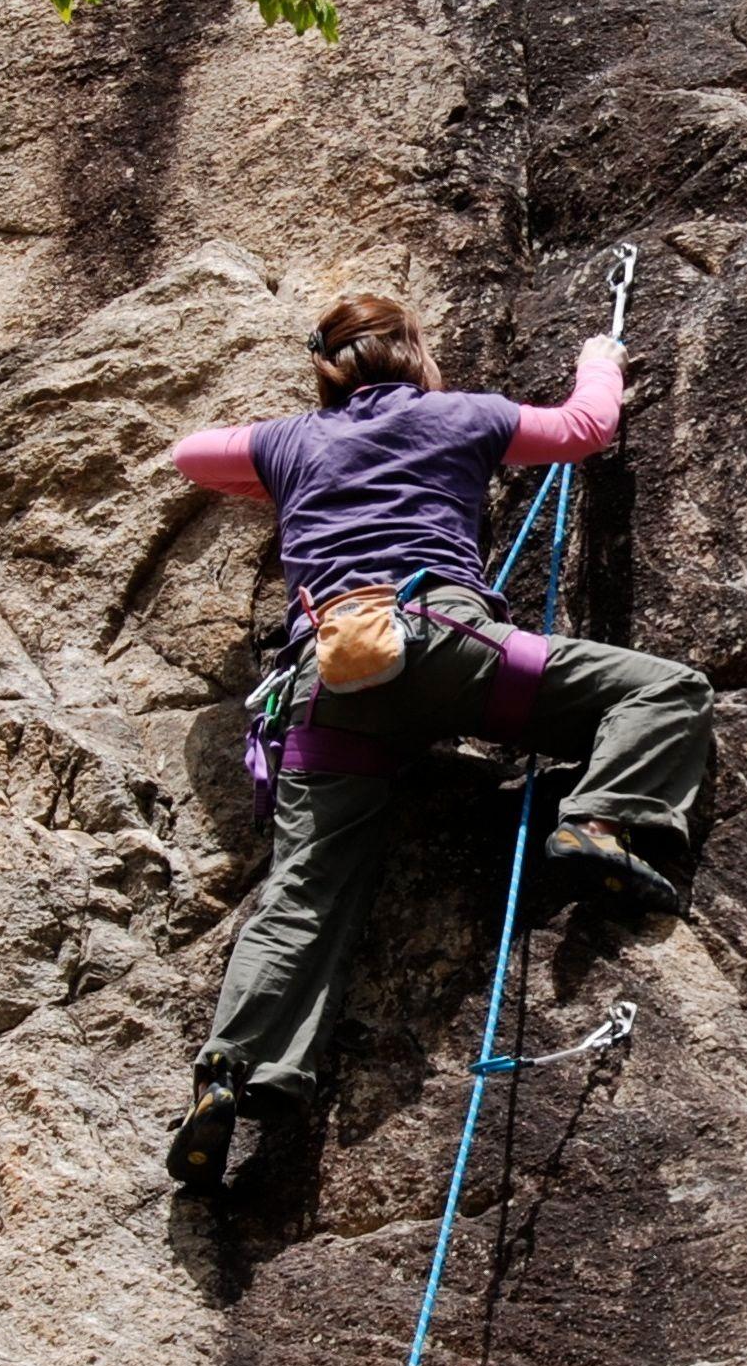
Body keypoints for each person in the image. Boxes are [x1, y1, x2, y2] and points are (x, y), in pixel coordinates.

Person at [165, 293, 714, 1186]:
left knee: (303, 892)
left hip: (328, 682)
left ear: (328, 367)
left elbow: (189, 455)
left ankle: (232, 1071)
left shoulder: (293, 440)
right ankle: (603, 820)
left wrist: (275, 465)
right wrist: (600, 350)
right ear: (414, 353)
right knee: (664, 690)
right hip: (446, 646)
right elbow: (583, 429)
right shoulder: (460, 414)